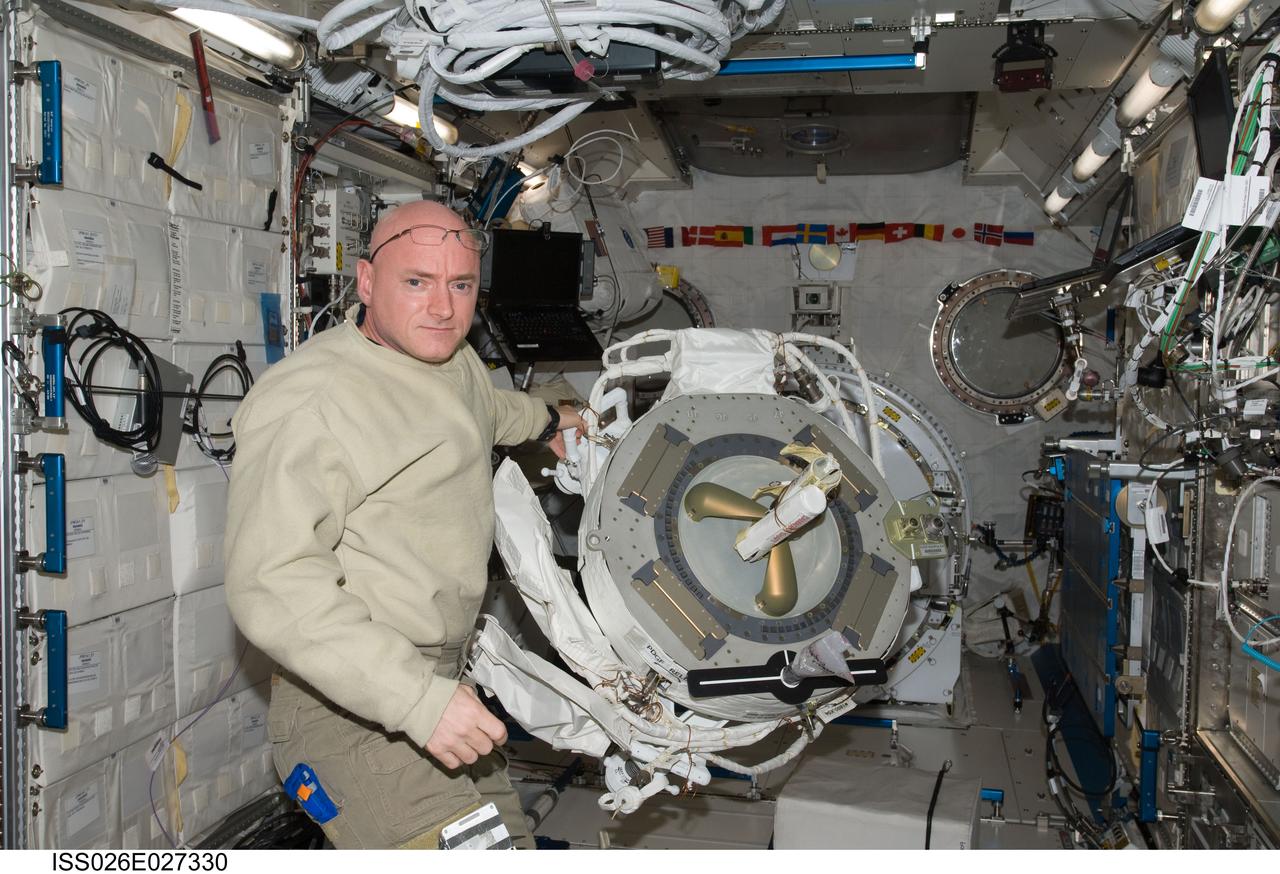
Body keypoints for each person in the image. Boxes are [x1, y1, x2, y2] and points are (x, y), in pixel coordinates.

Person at [224, 200, 585, 849]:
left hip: (439, 684)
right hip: (355, 707)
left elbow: (484, 410)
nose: (443, 308)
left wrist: (553, 422)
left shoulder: (451, 360)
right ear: (366, 282)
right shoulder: (314, 401)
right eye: (416, 282)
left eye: (461, 285)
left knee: (514, 848)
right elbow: (271, 582)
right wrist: (418, 701)